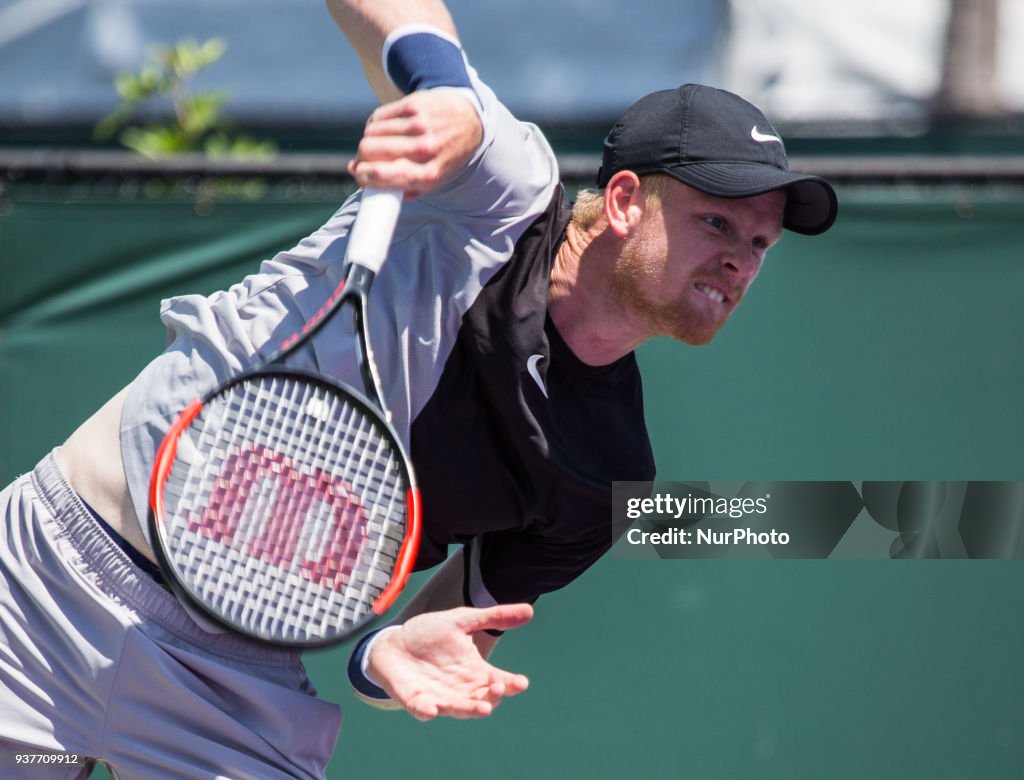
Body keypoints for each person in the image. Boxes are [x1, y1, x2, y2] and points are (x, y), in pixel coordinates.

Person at [0, 0, 837, 776]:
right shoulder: (499, 194)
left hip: (231, 688)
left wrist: (378, 658)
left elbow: (427, 641)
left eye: (760, 243)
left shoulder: (600, 478)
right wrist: (443, 92)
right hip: (42, 577)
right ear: (623, 201)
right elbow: (397, 31)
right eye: (716, 222)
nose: (740, 259)